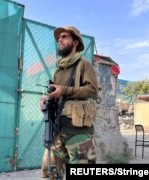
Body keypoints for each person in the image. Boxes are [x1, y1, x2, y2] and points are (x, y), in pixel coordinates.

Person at [40, 26, 99, 180]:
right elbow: (58, 96)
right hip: (58, 131)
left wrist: (64, 90)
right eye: (59, 38)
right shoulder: (58, 70)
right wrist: (47, 103)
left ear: (75, 42)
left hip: (79, 134)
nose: (60, 39)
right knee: (49, 173)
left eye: (64, 36)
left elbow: (92, 90)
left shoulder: (83, 65)